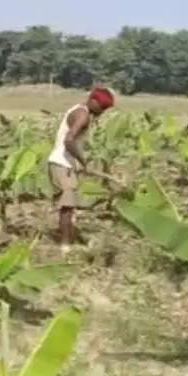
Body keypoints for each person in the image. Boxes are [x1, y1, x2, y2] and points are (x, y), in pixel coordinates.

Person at [47, 87, 115, 252]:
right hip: (62, 164)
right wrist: (83, 162)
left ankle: (69, 240)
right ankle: (66, 247)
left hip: (64, 164)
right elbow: (69, 140)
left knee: (69, 207)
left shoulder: (78, 110)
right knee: (67, 207)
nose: (102, 112)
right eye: (102, 108)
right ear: (93, 101)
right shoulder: (83, 115)